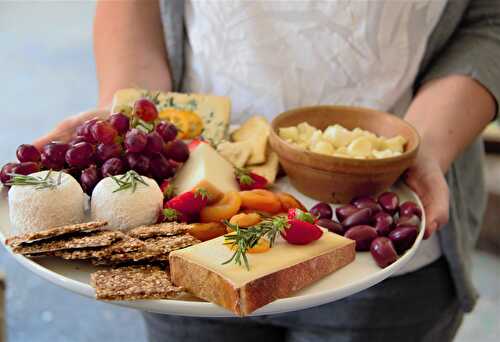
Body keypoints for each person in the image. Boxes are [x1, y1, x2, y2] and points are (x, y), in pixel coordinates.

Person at [35, 1, 500, 341]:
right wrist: (135, 115)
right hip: (189, 240)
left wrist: (424, 143)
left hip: (387, 259)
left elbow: (488, 18)